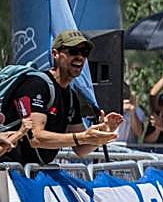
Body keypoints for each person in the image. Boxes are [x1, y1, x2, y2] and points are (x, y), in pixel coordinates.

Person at [0, 30, 122, 164]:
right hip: (8, 169)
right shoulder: (36, 84)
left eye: (84, 52)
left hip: (32, 172)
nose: (80, 57)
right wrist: (83, 136)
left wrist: (103, 133)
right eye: (73, 51)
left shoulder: (71, 96)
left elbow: (81, 149)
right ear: (55, 54)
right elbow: (36, 138)